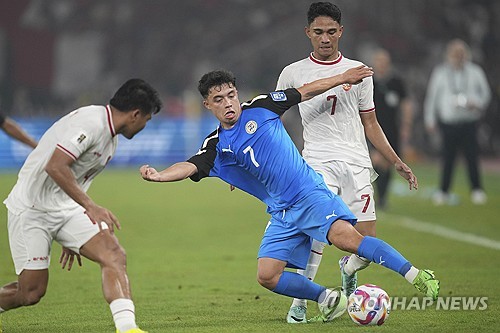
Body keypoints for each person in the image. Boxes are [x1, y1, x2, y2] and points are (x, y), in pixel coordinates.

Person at [140, 69, 439, 323]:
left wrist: (343, 77)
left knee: (348, 240)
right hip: (282, 210)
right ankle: (327, 298)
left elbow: (305, 91)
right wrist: (160, 175)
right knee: (267, 275)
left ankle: (416, 275)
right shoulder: (216, 144)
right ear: (208, 104)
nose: (229, 103)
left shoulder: (261, 107)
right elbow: (190, 164)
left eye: (231, 94)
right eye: (219, 99)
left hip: (308, 194)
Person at [275, 2, 418, 323]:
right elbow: (274, 119)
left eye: (330, 32)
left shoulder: (360, 71)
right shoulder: (293, 73)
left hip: (357, 163)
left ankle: (348, 269)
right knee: (316, 234)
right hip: (317, 162)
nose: (324, 38)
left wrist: (395, 160)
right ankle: (300, 301)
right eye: (318, 32)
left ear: (341, 32)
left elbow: (371, 123)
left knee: (364, 243)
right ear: (307, 33)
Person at [1, 79, 162, 333]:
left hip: (65, 208)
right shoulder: (91, 123)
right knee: (31, 293)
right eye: (147, 119)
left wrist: (72, 232)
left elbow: (75, 180)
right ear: (135, 114)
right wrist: (90, 206)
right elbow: (55, 166)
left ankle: (128, 328)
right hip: (32, 208)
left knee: (114, 254)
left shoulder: (111, 140)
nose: (145, 125)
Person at [424, 39, 491, 205]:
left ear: (466, 54)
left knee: (472, 157)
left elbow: (486, 94)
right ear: (449, 55)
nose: (458, 56)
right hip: (449, 122)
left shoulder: (475, 71)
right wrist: (430, 119)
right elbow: (432, 97)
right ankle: (443, 191)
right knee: (448, 158)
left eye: (461, 53)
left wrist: (478, 104)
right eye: (455, 53)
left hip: (469, 121)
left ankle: (477, 190)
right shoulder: (440, 72)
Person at [370, 48, 414, 210]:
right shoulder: (369, 82)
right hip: (372, 127)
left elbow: (406, 103)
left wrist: (406, 125)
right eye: (379, 61)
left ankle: (382, 198)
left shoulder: (396, 82)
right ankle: (377, 196)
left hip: (392, 128)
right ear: (374, 63)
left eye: (384, 61)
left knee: (388, 163)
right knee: (376, 160)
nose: (382, 64)